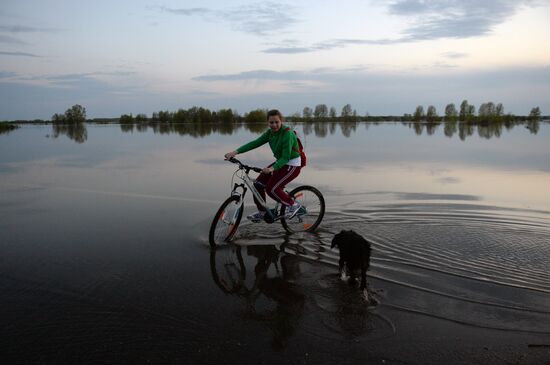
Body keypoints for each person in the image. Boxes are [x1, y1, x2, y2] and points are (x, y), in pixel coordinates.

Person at [224, 109, 302, 222]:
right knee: (258, 185)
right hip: (280, 162)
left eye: (277, 122)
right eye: (271, 122)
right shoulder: (270, 133)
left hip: (292, 164)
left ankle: (293, 205)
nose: (274, 125)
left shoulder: (287, 134)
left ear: (281, 121)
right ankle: (262, 212)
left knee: (272, 189)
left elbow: (286, 158)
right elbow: (255, 143)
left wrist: (272, 168)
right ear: (267, 122)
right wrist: (235, 152)